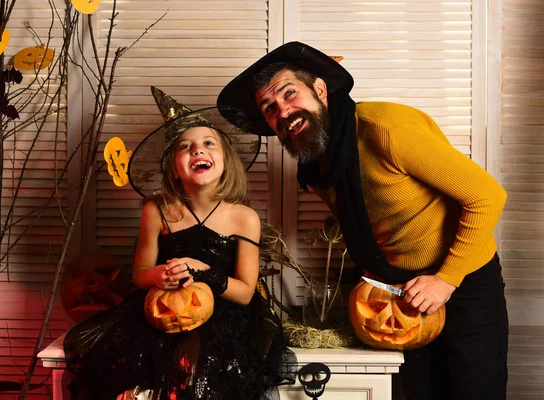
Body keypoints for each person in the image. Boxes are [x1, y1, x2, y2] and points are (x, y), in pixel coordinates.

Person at [217, 41, 509, 400]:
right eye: (270, 108)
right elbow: (367, 220)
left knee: (476, 391)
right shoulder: (317, 160)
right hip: (402, 291)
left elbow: (487, 196)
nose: (283, 111)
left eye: (289, 93)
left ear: (320, 90)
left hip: (463, 282)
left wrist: (446, 279)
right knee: (421, 393)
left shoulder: (387, 128)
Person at [64, 86, 295, 400]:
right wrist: (158, 275)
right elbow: (139, 273)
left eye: (208, 144)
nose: (198, 151)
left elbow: (244, 292)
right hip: (165, 306)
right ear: (173, 166)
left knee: (202, 366)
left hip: (224, 314)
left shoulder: (243, 217)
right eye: (186, 147)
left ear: (226, 160)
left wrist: (202, 273)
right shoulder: (157, 210)